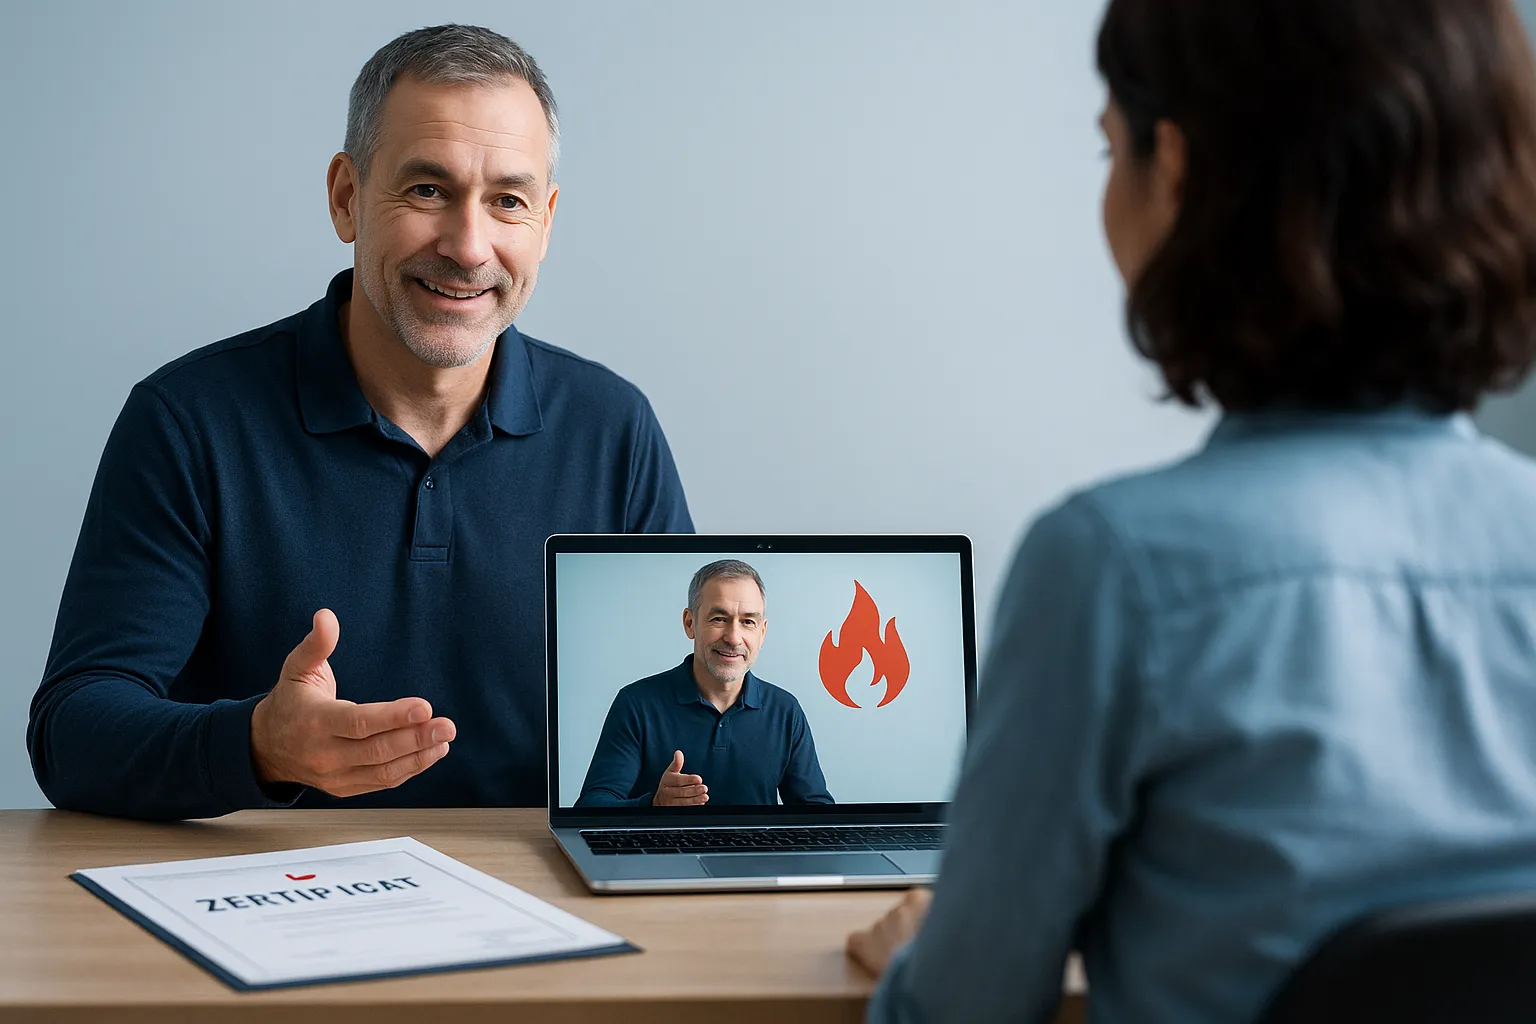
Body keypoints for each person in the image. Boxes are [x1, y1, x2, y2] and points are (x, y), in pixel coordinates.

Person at [847, 0, 1536, 1020]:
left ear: (1173, 170)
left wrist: (923, 955)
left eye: (1106, 150)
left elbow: (964, 1013)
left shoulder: (1112, 569)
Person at [27, 25, 692, 821]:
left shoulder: (615, 430)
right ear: (347, 197)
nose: (468, 245)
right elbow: (71, 733)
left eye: (507, 201)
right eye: (427, 190)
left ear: (544, 222)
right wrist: (258, 746)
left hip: (547, 899)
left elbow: (683, 703)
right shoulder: (188, 421)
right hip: (269, 903)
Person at [576, 559, 833, 806]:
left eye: (748, 622)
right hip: (665, 849)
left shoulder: (785, 710)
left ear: (762, 632)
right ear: (690, 624)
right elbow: (591, 806)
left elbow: (816, 811)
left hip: (757, 851)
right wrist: (654, 804)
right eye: (719, 619)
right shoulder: (636, 704)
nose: (734, 638)